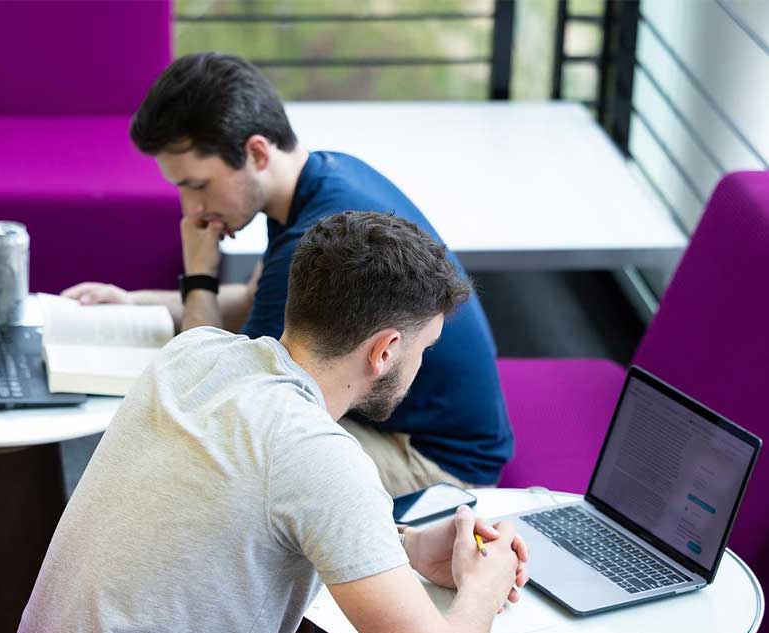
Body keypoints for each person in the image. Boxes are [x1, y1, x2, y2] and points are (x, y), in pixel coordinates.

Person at [0, 212, 529, 633]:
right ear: (384, 350)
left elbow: (245, 509)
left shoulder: (192, 354)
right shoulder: (320, 456)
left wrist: (406, 546)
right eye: (423, 350)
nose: (420, 366)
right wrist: (485, 586)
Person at [62, 52, 514, 494]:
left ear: (256, 152)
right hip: (417, 427)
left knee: (213, 459)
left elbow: (214, 398)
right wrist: (133, 301)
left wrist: (200, 275)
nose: (192, 209)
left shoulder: (313, 230)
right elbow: (251, 301)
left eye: (197, 185)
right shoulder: (319, 177)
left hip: (435, 460)